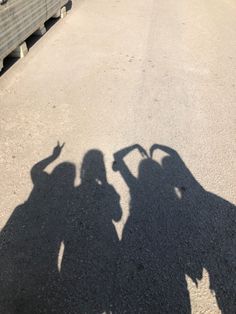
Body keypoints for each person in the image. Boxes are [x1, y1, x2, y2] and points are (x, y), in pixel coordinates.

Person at [0, 142, 75, 313]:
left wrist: (53, 157)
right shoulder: (66, 201)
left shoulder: (24, 209)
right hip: (44, 261)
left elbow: (35, 171)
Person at [61, 149, 122, 314]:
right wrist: (107, 185)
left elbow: (64, 223)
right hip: (106, 244)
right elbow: (117, 216)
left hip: (74, 253)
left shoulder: (73, 193)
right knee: (106, 281)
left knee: (75, 289)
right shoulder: (108, 190)